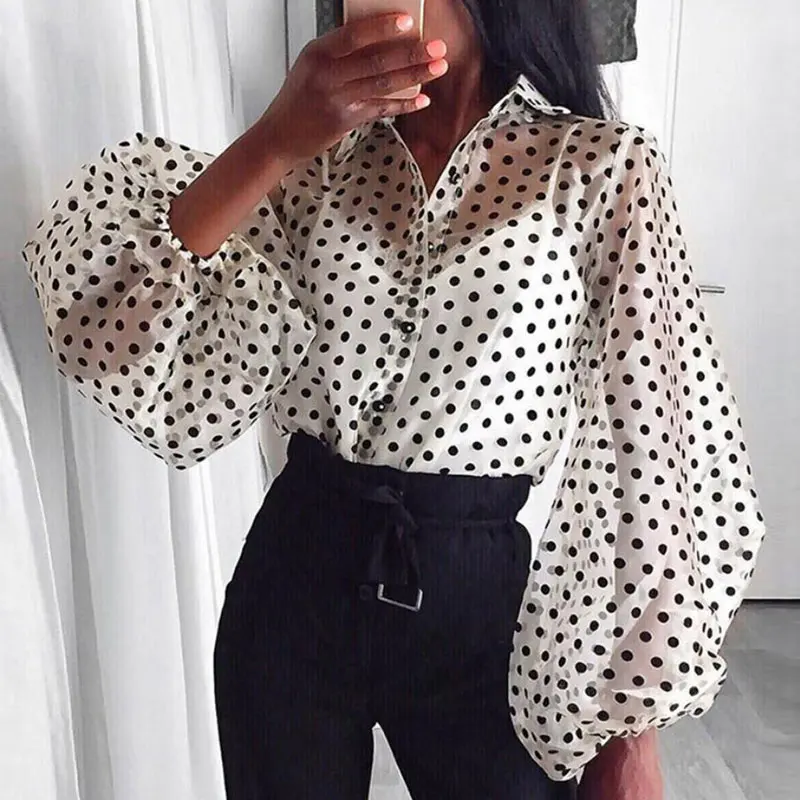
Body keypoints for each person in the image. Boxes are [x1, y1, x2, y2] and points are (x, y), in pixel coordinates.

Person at [21, 1, 766, 798]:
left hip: (475, 605)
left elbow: (655, 454)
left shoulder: (598, 168)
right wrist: (274, 140)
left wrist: (629, 739)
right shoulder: (315, 159)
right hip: (296, 577)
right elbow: (111, 323)